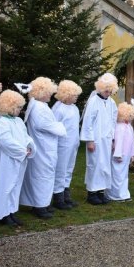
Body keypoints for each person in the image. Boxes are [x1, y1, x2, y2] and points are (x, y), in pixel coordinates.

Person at [20, 77, 67, 218]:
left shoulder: (39, 105)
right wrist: (60, 127)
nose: (50, 95)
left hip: (45, 145)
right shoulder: (39, 107)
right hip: (42, 146)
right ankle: (39, 206)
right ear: (41, 92)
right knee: (41, 175)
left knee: (45, 174)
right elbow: (44, 125)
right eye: (48, 92)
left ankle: (43, 203)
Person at [0, 90, 35, 227]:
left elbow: (25, 136)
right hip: (5, 159)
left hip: (19, 158)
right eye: (19, 107)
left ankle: (11, 211)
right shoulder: (1, 121)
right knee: (5, 185)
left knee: (15, 185)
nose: (21, 110)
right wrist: (21, 150)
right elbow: (5, 140)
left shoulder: (18, 121)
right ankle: (2, 213)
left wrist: (28, 146)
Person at [80, 73, 118, 205]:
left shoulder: (112, 103)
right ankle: (92, 193)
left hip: (106, 140)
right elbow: (88, 121)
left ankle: (101, 191)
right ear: (100, 88)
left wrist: (113, 139)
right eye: (106, 89)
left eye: (110, 90)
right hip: (95, 140)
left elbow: (113, 122)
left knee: (105, 166)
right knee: (95, 165)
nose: (108, 92)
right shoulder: (93, 101)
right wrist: (89, 140)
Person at [51, 80, 83, 208]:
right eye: (74, 94)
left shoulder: (74, 108)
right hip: (62, 144)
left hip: (73, 142)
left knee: (69, 169)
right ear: (67, 94)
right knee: (61, 169)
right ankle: (58, 197)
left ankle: (66, 194)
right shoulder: (58, 108)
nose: (76, 96)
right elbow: (54, 126)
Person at [107, 101, 134, 201]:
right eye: (129, 115)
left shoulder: (129, 127)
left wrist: (132, 154)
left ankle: (123, 193)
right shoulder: (119, 127)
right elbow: (118, 142)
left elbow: (131, 142)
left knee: (124, 175)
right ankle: (115, 195)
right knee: (117, 175)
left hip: (126, 155)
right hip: (119, 155)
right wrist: (118, 154)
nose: (131, 117)